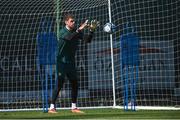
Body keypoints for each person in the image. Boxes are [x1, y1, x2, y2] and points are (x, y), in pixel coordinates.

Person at [48, 14, 99, 114]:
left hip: (71, 62)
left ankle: (74, 107)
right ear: (66, 22)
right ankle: (52, 107)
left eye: (74, 21)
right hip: (61, 62)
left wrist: (92, 30)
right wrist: (79, 29)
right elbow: (69, 38)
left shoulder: (75, 31)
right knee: (59, 84)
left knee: (75, 83)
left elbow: (87, 40)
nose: (73, 22)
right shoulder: (62, 32)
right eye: (71, 21)